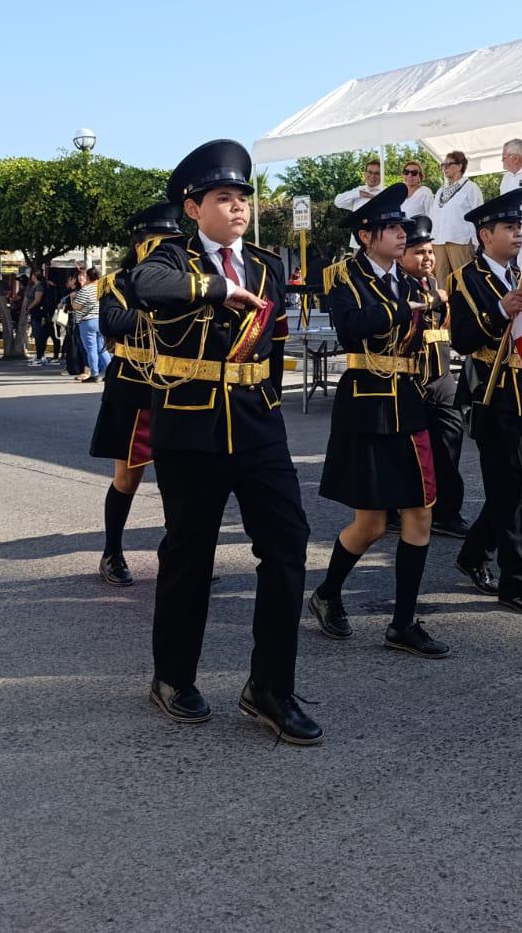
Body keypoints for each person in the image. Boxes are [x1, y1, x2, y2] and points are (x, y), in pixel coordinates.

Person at [131, 139, 320, 745]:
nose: (237, 208)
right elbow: (146, 289)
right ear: (193, 208)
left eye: (243, 197)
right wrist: (218, 290)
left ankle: (270, 687)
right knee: (190, 554)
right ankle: (173, 678)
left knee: (288, 547)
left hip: (259, 425)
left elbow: (275, 342)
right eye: (223, 198)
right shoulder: (170, 257)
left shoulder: (265, 264)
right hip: (191, 427)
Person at [308, 185, 449, 660]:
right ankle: (327, 592)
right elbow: (350, 327)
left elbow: (431, 333)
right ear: (366, 235)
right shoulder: (343, 277)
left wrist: (437, 308)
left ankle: (403, 622)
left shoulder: (412, 282)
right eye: (392, 228)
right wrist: (400, 310)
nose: (401, 235)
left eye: (401, 228)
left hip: (408, 404)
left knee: (420, 512)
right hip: (365, 403)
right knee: (368, 524)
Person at [448, 187, 522, 617]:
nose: (517, 233)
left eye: (520, 226)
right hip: (491, 394)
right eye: (509, 227)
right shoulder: (466, 279)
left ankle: (473, 551)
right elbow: (462, 338)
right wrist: (498, 307)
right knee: (509, 489)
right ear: (484, 233)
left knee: (521, 482)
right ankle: (517, 583)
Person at [88, 202, 184, 587]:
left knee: (179, 479)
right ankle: (112, 552)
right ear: (142, 244)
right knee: (127, 478)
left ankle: (181, 555)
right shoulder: (117, 282)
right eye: (159, 242)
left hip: (177, 386)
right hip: (132, 385)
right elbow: (112, 320)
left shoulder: (186, 280)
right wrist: (162, 310)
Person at [403, 214, 467, 538]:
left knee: (450, 442)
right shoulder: (399, 287)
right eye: (419, 252)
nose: (427, 257)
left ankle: (447, 511)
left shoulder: (438, 286)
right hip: (410, 380)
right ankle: (394, 507)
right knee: (408, 453)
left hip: (441, 378)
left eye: (430, 251)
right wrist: (431, 300)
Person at [429, 150, 482, 290]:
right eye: (443, 165)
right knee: (440, 282)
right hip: (438, 241)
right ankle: (444, 310)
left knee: (464, 281)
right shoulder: (441, 190)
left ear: (460, 166)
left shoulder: (471, 188)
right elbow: (434, 215)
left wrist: (477, 243)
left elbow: (478, 215)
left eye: (448, 164)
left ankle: (467, 310)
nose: (444, 168)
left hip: (460, 240)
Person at [70, 266, 111, 383]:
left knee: (91, 349)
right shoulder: (103, 289)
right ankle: (110, 372)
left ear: (88, 277)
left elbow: (77, 306)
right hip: (101, 320)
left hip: (87, 322)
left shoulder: (85, 290)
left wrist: (72, 299)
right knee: (102, 348)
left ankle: (94, 374)